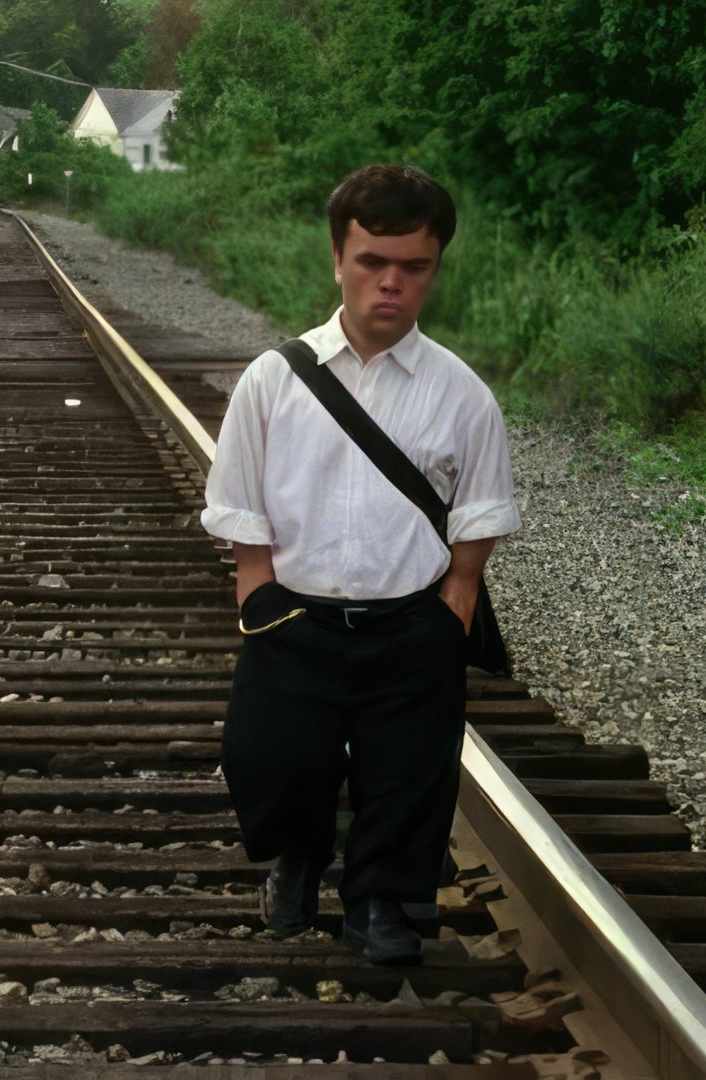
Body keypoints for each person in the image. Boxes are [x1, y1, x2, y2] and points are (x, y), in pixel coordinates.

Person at [200, 164, 520, 962]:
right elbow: (240, 498)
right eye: (373, 262)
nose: (392, 284)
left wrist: (456, 602)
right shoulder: (273, 381)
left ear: (434, 269)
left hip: (410, 618)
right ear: (338, 258)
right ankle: (298, 863)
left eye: (413, 267)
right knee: (271, 759)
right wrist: (257, 591)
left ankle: (377, 898)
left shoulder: (463, 393)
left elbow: (479, 511)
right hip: (296, 611)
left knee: (406, 772)